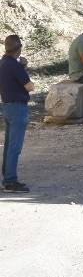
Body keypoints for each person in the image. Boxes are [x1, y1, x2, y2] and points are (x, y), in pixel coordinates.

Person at [1, 34, 33, 192]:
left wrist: (22, 67)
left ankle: (6, 178)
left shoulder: (3, 63)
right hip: (18, 108)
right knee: (15, 146)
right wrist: (23, 68)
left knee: (8, 145)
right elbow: (30, 86)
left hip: (7, 106)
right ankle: (10, 181)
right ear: (19, 49)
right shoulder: (14, 65)